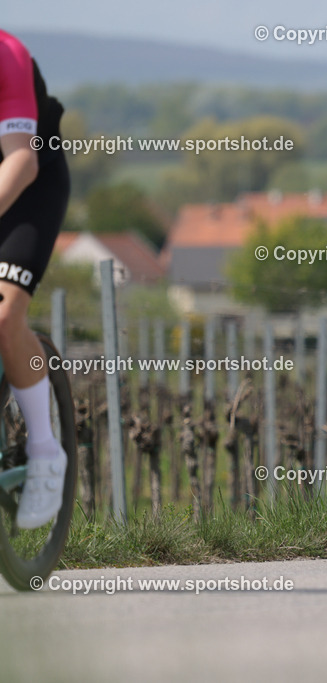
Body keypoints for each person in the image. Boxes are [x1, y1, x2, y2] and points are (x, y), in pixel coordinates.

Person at [0, 29, 71, 529]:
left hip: (29, 184)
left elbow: (22, 161)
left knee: (4, 314)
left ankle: (45, 450)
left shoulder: (7, 55)